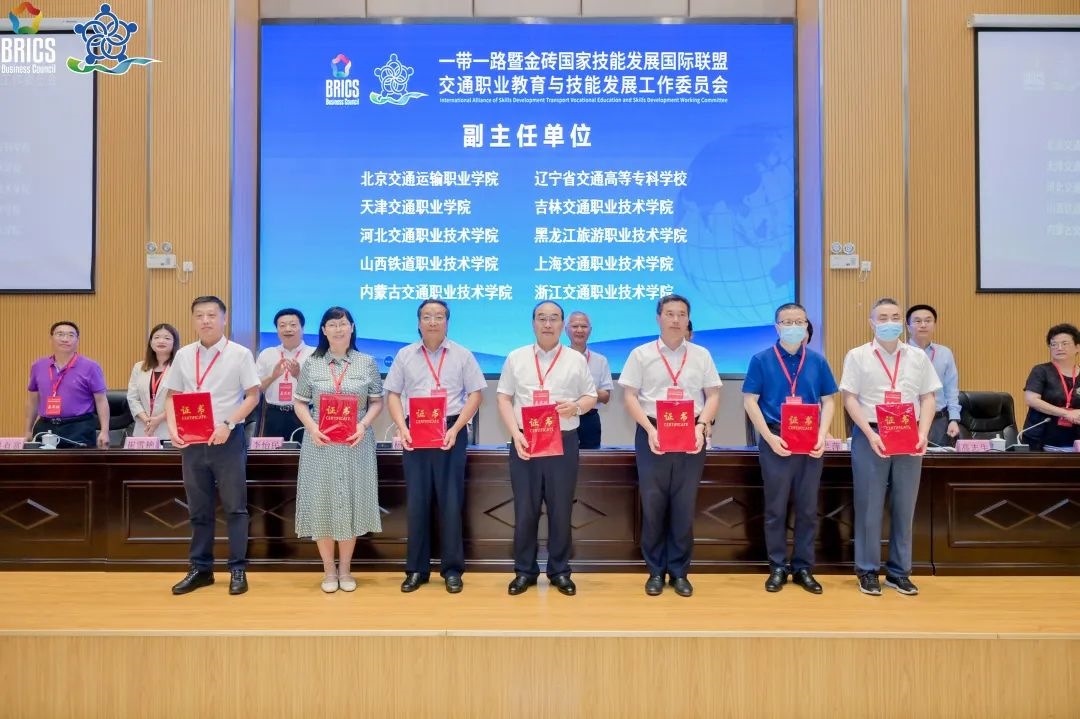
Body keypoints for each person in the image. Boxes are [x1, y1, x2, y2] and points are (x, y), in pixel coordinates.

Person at [620, 295, 721, 597]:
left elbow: (713, 395)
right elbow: (629, 397)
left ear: (688, 319)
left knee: (683, 504)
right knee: (653, 504)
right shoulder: (640, 354)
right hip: (652, 431)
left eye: (681, 314)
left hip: (691, 431)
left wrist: (702, 426)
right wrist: (650, 429)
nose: (675, 319)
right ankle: (654, 571)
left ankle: (679, 572)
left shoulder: (701, 354)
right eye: (669, 313)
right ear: (658, 318)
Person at [839, 297, 940, 597]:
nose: (889, 322)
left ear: (902, 323)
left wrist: (923, 433)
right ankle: (867, 571)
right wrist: (869, 434)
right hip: (871, 433)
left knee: (904, 506)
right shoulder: (858, 355)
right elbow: (849, 398)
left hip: (908, 434)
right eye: (882, 318)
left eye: (895, 317)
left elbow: (928, 398)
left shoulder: (917, 356)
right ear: (872, 323)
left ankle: (899, 572)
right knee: (869, 506)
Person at [496, 301, 597, 596]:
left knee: (561, 508)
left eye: (554, 318)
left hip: (563, 441)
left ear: (562, 325)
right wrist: (515, 434)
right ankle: (524, 571)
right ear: (533, 323)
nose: (548, 324)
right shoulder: (516, 357)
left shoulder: (575, 359)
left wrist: (576, 406)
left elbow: (591, 396)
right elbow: (504, 398)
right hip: (526, 440)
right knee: (525, 509)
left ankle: (560, 571)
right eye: (542, 318)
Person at [385, 299, 485, 594]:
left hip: (450, 431)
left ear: (447, 322)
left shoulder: (462, 355)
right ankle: (417, 569)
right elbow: (393, 394)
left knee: (451, 502)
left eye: (439, 316)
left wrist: (456, 428)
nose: (432, 321)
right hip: (415, 431)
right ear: (418, 322)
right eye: (427, 316)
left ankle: (452, 569)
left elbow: (476, 395)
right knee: (417, 502)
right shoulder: (405, 355)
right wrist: (402, 428)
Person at [162, 296, 261, 596]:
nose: (205, 321)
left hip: (227, 439)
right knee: (199, 509)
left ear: (224, 319)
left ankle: (237, 569)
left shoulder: (240, 354)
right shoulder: (183, 355)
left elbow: (253, 396)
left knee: (235, 508)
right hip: (192, 442)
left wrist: (228, 424)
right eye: (199, 315)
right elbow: (172, 396)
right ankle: (201, 569)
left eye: (211, 315)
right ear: (193, 320)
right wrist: (173, 428)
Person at [743, 303, 837, 594]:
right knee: (776, 507)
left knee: (807, 508)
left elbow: (829, 401)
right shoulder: (761, 359)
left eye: (799, 321)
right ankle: (777, 567)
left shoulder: (817, 361)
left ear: (807, 325)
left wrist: (822, 435)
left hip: (810, 440)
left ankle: (803, 568)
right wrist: (768, 438)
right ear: (777, 327)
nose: (794, 326)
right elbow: (750, 401)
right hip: (776, 438)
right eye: (787, 322)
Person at [292, 307, 384, 593]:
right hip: (321, 443)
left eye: (343, 324)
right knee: (323, 502)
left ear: (352, 328)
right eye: (332, 324)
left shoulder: (367, 362)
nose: (338, 329)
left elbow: (376, 402)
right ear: (323, 330)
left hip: (356, 442)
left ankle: (345, 569)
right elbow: (300, 402)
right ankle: (328, 570)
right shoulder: (312, 363)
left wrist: (363, 425)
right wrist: (312, 428)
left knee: (350, 503)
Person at [25, 321, 110, 449]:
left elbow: (101, 400)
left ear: (77, 340)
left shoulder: (91, 366)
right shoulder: (38, 366)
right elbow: (33, 401)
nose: (65, 339)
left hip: (79, 427)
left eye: (71, 335)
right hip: (45, 427)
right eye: (60, 334)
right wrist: (28, 430)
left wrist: (104, 431)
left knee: (77, 462)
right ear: (51, 338)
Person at [906, 304, 961, 445]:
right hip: (907, 420)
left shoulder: (945, 353)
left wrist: (953, 419)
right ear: (908, 327)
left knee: (939, 459)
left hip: (939, 421)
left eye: (928, 320)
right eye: (917, 321)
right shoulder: (900, 353)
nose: (923, 325)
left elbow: (951, 389)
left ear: (934, 325)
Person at [256, 308, 314, 440]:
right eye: (282, 325)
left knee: (303, 452)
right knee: (272, 453)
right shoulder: (267, 354)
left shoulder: (314, 354)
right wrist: (273, 377)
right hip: (273, 414)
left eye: (293, 325)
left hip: (305, 414)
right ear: (277, 330)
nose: (288, 329)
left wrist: (298, 376)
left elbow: (319, 392)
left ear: (302, 328)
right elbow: (256, 389)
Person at [1021, 323, 1080, 451]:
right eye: (1054, 344)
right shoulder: (1041, 371)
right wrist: (1066, 413)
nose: (1059, 348)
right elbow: (1031, 400)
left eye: (1065, 343)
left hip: (1076, 444)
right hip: (1041, 442)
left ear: (1077, 347)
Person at [565, 310, 613, 449]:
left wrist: (582, 390)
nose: (580, 330)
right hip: (564, 416)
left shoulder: (600, 360)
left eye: (584, 326)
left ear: (590, 330)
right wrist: (588, 393)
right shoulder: (557, 358)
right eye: (575, 326)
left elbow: (605, 396)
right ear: (566, 330)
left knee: (591, 458)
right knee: (562, 458)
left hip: (589, 419)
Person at [126, 323, 180, 440]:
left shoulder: (180, 367)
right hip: (143, 430)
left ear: (174, 343)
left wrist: (158, 419)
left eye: (167, 338)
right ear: (151, 342)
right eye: (157, 337)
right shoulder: (139, 367)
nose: (161, 341)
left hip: (169, 431)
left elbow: (181, 400)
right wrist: (146, 419)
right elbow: (132, 398)